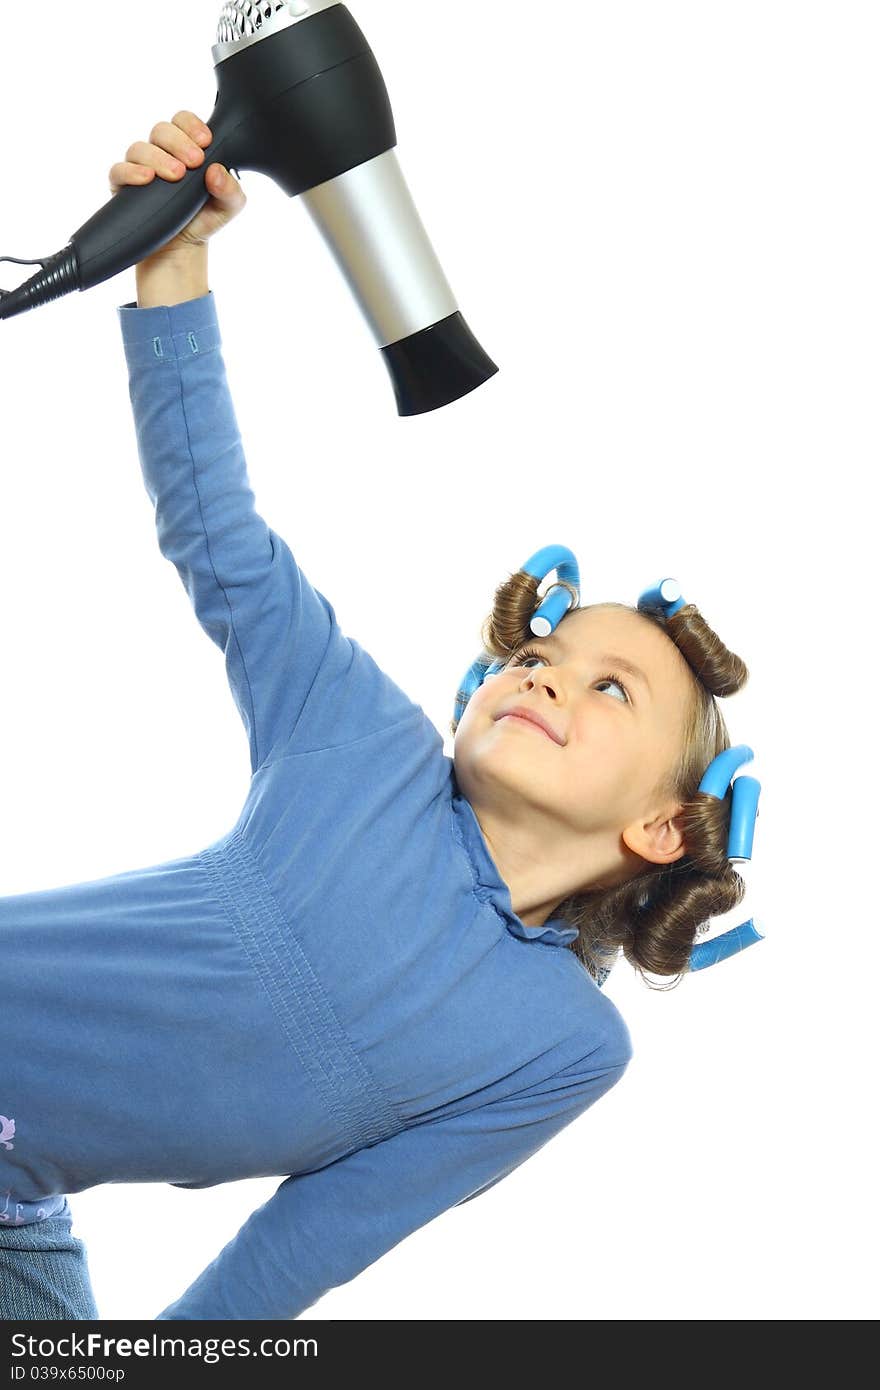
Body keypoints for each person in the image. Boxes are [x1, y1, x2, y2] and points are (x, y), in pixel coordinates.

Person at [0, 112, 749, 1321]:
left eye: (611, 686)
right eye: (542, 655)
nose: (545, 674)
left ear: (665, 827)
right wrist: (176, 264)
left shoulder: (559, 1047)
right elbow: (221, 537)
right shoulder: (361, 740)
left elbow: (311, 1240)